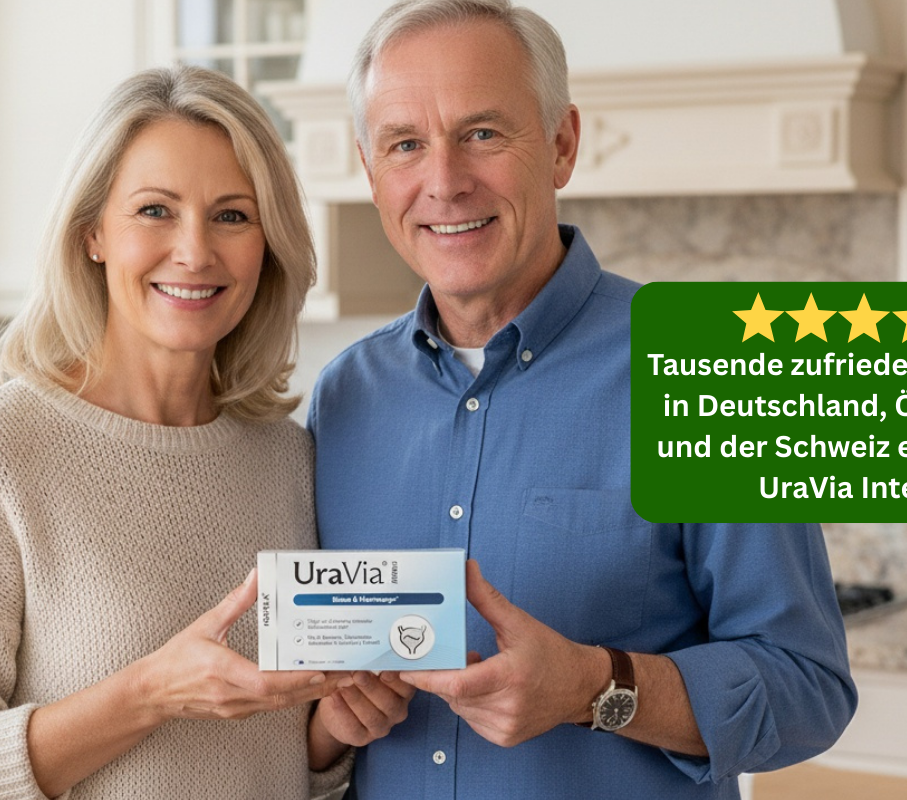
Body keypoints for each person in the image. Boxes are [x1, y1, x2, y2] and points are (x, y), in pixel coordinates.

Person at [305, 2, 858, 798]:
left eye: (484, 134)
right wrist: (329, 730)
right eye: (405, 145)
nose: (445, 181)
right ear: (370, 170)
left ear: (562, 144)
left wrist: (596, 689)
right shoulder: (344, 399)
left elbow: (809, 689)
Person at [0, 66, 357, 800]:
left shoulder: (287, 459)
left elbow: (265, 768)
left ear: (269, 245)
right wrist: (151, 692)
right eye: (156, 210)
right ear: (93, 232)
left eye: (232, 215)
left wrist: (327, 743)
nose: (194, 251)